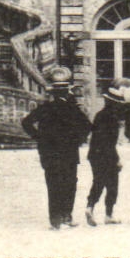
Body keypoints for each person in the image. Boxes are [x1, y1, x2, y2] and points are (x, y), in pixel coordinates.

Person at [20, 66, 93, 230]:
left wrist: (39, 138)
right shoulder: (72, 108)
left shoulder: (46, 108)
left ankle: (56, 219)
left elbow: (26, 122)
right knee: (69, 183)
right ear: (67, 91)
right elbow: (88, 126)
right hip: (69, 153)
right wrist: (78, 140)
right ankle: (67, 215)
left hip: (49, 153)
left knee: (53, 185)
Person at [85, 83, 130, 226]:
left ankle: (90, 207)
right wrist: (116, 159)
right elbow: (109, 142)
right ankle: (108, 214)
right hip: (107, 154)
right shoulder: (112, 119)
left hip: (94, 154)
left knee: (98, 181)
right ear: (115, 104)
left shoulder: (99, 115)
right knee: (112, 185)